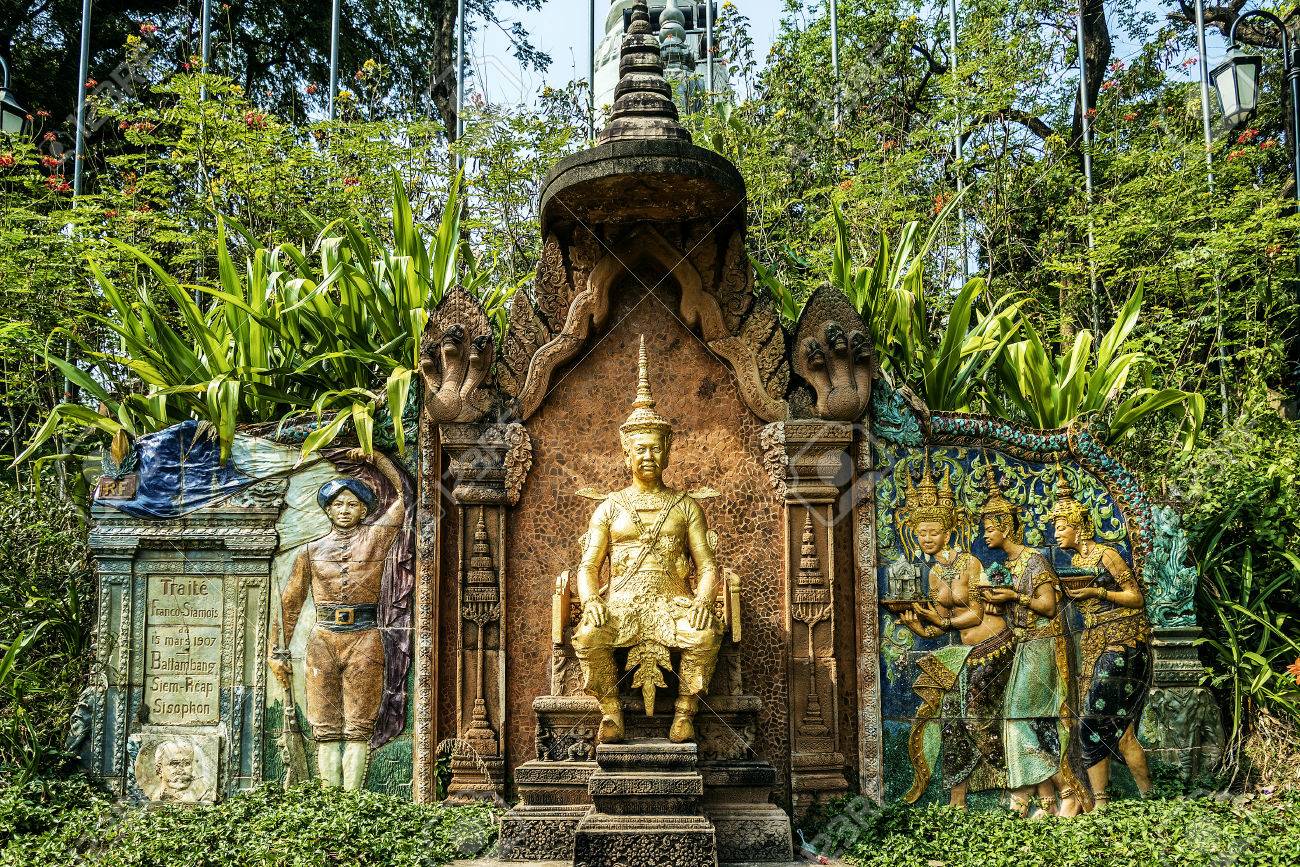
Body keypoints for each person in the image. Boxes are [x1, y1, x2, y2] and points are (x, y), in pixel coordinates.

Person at [571, 336, 723, 745]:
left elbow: (707, 565)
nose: (648, 457)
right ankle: (611, 711)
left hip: (672, 604)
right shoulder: (609, 507)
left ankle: (685, 712)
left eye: (656, 449)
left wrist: (704, 601)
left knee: (705, 634)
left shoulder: (686, 506)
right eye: (640, 450)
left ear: (668, 451)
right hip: (620, 604)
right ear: (626, 453)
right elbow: (587, 567)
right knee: (588, 635)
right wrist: (591, 602)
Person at [268, 449, 405, 789]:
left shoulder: (376, 539)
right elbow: (289, 605)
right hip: (322, 642)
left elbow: (405, 496)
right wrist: (275, 652)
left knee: (358, 725)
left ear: (364, 509)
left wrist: (375, 460)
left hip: (364, 639)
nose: (345, 511)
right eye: (338, 505)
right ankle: (330, 802)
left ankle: (352, 801)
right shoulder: (310, 552)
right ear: (328, 509)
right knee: (325, 726)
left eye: (352, 504)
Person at [896, 456, 1011, 808]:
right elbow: (936, 628)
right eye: (921, 534)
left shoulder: (969, 562)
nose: (927, 539)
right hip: (966, 652)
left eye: (933, 532)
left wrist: (942, 622)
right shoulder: (931, 575)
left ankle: (1018, 784)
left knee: (977, 717)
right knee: (951, 720)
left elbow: (975, 614)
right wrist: (913, 621)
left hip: (995, 646)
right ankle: (957, 800)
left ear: (948, 532)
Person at [977, 462, 1083, 818]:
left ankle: (1065, 792)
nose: (985, 536)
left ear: (1006, 528)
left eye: (990, 529)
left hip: (1042, 644)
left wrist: (1013, 597)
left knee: (1023, 718)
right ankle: (1044, 799)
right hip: (1024, 644)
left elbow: (1049, 606)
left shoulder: (1034, 561)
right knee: (1021, 719)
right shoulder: (1009, 566)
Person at [1050, 468, 1153, 809]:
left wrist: (1098, 591)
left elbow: (1135, 597)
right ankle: (1132, 799)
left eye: (1060, 526)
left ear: (1078, 526)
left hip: (1124, 644)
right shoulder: (1077, 560)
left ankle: (1107, 801)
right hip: (1097, 644)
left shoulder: (1105, 554)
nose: (1056, 532)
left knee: (1093, 725)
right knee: (1120, 733)